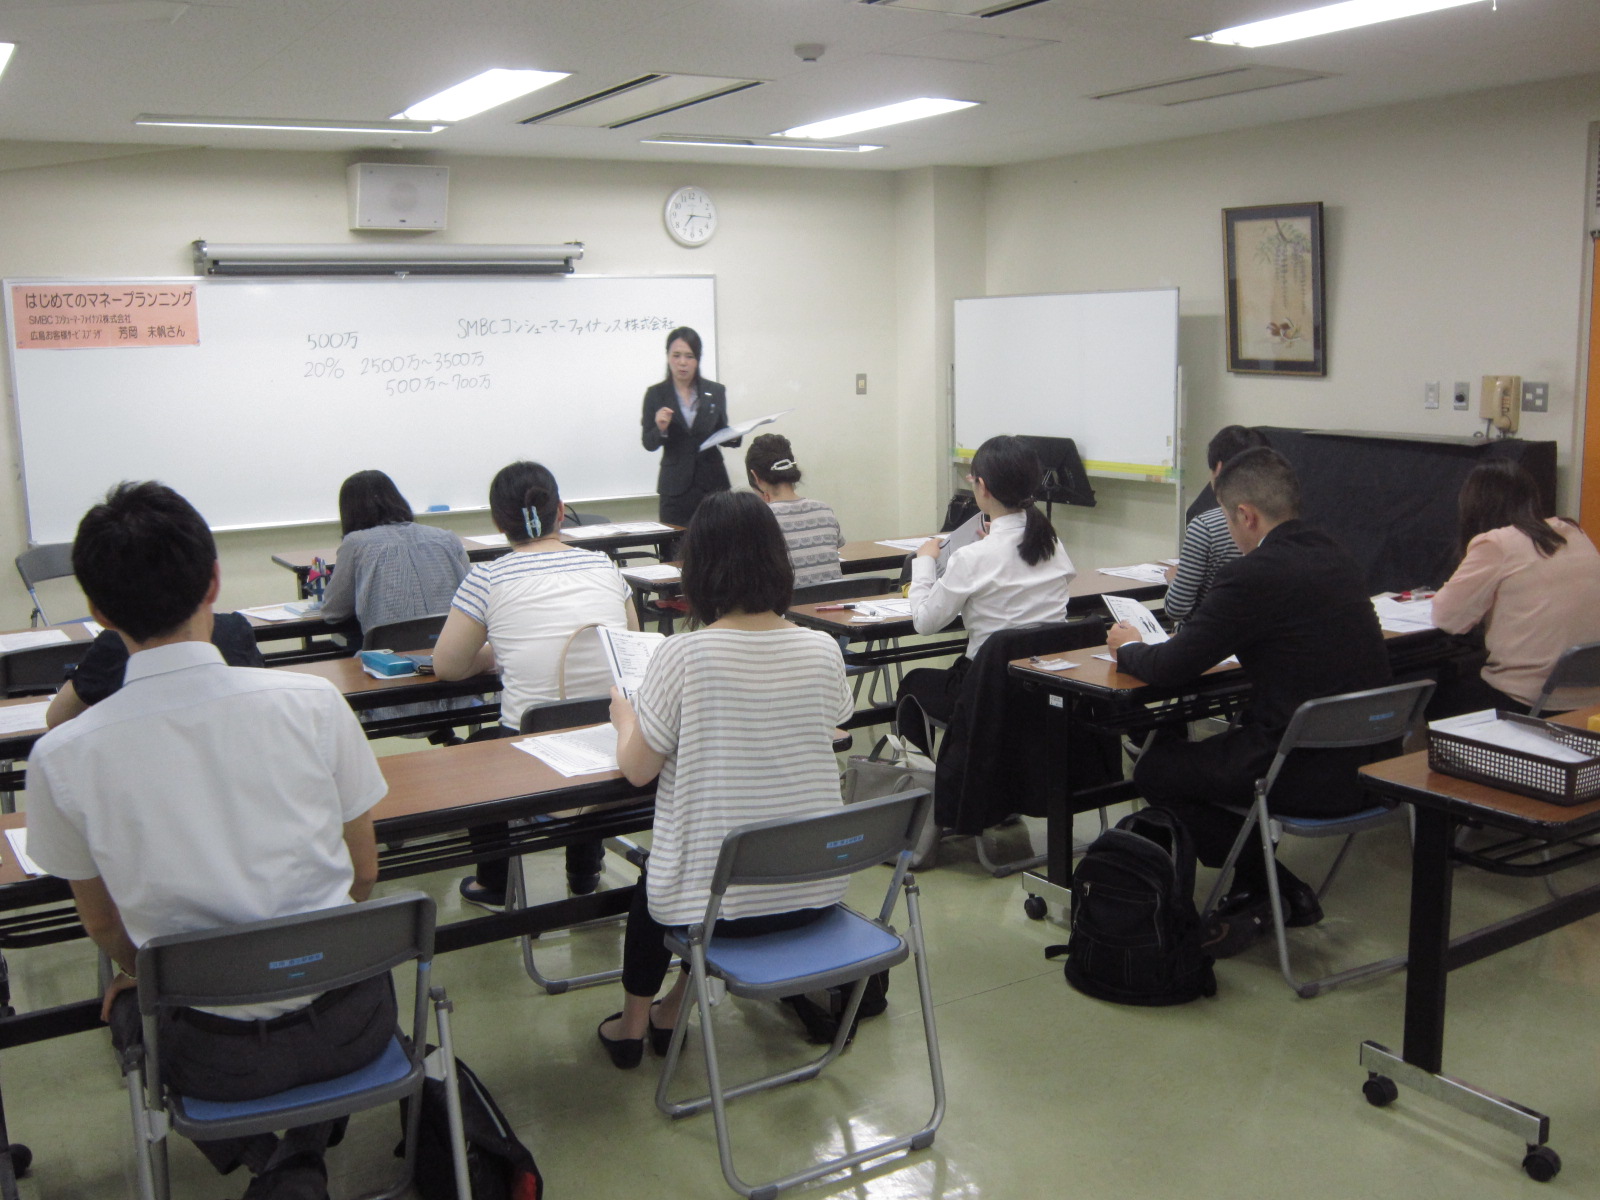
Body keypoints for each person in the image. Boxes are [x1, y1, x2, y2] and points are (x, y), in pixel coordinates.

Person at [24, 483, 391, 1192]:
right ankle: (303, 1152)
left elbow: (103, 926)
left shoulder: (61, 757)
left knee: (131, 1004)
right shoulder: (315, 703)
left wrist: (142, 974)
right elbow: (364, 873)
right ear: (215, 582)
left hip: (210, 1055)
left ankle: (275, 1164)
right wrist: (296, 958)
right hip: (354, 1026)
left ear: (98, 613)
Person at [598, 491, 853, 1068]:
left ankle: (631, 1027)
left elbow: (637, 770)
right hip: (814, 896)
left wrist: (625, 718)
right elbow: (837, 722)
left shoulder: (682, 655)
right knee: (712, 856)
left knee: (669, 873)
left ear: (699, 570)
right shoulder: (821, 649)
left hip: (715, 912)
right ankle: (669, 1011)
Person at [1109, 447, 1391, 956]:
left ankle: (1270, 885)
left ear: (1246, 515)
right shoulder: (1337, 555)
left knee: (1156, 768)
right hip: (1372, 764)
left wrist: (1127, 647)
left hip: (1299, 769)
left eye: (1226, 519)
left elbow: (1172, 667)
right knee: (1210, 749)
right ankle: (1267, 887)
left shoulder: (1254, 574)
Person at [433, 461, 635, 906]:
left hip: (532, 751)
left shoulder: (487, 578)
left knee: (475, 751)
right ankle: (584, 871)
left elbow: (447, 667)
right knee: (586, 723)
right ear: (560, 511)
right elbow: (629, 646)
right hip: (617, 743)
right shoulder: (605, 566)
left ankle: (494, 882)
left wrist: (497, 653)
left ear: (497, 523)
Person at [896, 434, 1076, 753]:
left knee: (912, 683)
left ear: (982, 486)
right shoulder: (1052, 543)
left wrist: (924, 562)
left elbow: (924, 623)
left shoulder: (972, 557)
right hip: (1042, 684)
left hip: (987, 689)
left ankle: (920, 777)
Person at [1430, 460, 1600, 715]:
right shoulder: (1572, 532)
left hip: (1528, 698)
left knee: (1435, 692)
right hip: (1590, 694)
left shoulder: (1496, 543)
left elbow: (1448, 619)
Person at [44, 610, 263, 728]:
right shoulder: (234, 629)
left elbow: (58, 718)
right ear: (212, 583)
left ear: (101, 612)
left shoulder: (114, 644)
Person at [320, 469, 469, 638]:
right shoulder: (447, 538)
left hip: (390, 650)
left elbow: (333, 611)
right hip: (453, 645)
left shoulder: (356, 544)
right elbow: (473, 598)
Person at [1163, 425, 1269, 625]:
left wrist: (1173, 579)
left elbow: (1177, 608)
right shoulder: (1276, 520)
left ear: (1219, 469)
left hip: (1205, 637)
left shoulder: (1205, 527)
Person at [639, 325, 737, 526]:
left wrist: (734, 435)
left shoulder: (715, 391)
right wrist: (661, 428)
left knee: (718, 540)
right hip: (675, 487)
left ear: (698, 359)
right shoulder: (655, 394)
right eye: (676, 355)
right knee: (676, 542)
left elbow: (721, 430)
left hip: (713, 484)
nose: (682, 362)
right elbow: (648, 443)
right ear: (668, 357)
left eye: (689, 356)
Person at [744, 432, 845, 588]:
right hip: (836, 600)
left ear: (755, 476)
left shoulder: (757, 518)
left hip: (787, 603)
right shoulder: (824, 510)